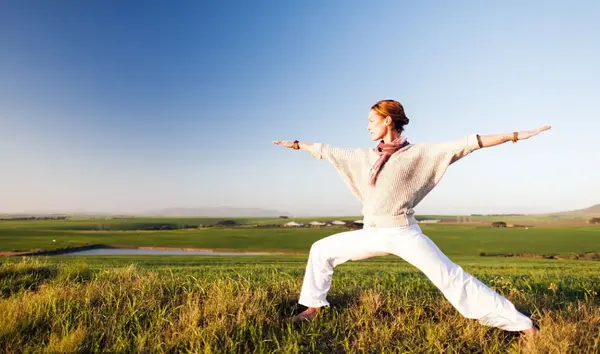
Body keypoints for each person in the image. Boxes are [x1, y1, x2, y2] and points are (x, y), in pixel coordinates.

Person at [273, 99, 551, 337]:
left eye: (372, 120)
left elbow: (469, 143)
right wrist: (297, 145)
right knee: (321, 250)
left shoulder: (420, 153)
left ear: (388, 120)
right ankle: (312, 308)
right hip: (372, 232)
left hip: (403, 233)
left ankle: (523, 326)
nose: (367, 125)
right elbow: (328, 151)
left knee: (451, 278)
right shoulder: (367, 156)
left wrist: (515, 135)